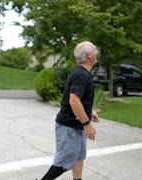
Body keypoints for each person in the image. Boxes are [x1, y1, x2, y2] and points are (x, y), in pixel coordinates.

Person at [40, 41, 99, 180]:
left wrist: (89, 111)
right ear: (89, 55)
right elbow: (73, 101)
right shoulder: (81, 75)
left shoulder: (81, 72)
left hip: (76, 126)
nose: (97, 51)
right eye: (95, 49)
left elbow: (77, 98)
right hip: (69, 127)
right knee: (63, 163)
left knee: (79, 157)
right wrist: (87, 123)